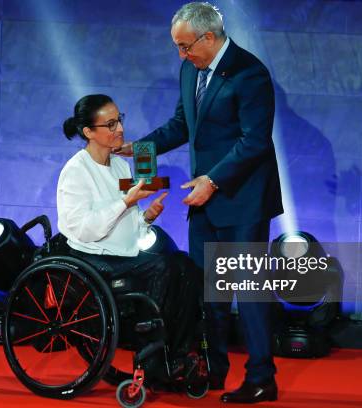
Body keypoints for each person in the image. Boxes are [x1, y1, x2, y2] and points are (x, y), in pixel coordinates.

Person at [117, 2, 283, 404]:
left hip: (241, 200)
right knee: (209, 291)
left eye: (185, 46)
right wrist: (140, 148)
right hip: (202, 200)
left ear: (209, 37)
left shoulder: (250, 72)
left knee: (249, 289)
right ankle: (212, 368)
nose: (181, 55)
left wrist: (213, 180)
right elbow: (182, 124)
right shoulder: (191, 68)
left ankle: (262, 377)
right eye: (177, 47)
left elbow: (255, 141)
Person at [57, 93, 203, 381]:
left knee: (185, 266)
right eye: (110, 125)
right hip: (92, 257)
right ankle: (152, 359)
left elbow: (128, 225)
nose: (119, 130)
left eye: (119, 120)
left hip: (124, 252)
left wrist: (146, 217)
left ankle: (180, 354)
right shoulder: (76, 171)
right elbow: (83, 229)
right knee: (164, 267)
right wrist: (126, 202)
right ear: (88, 132)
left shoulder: (121, 165)